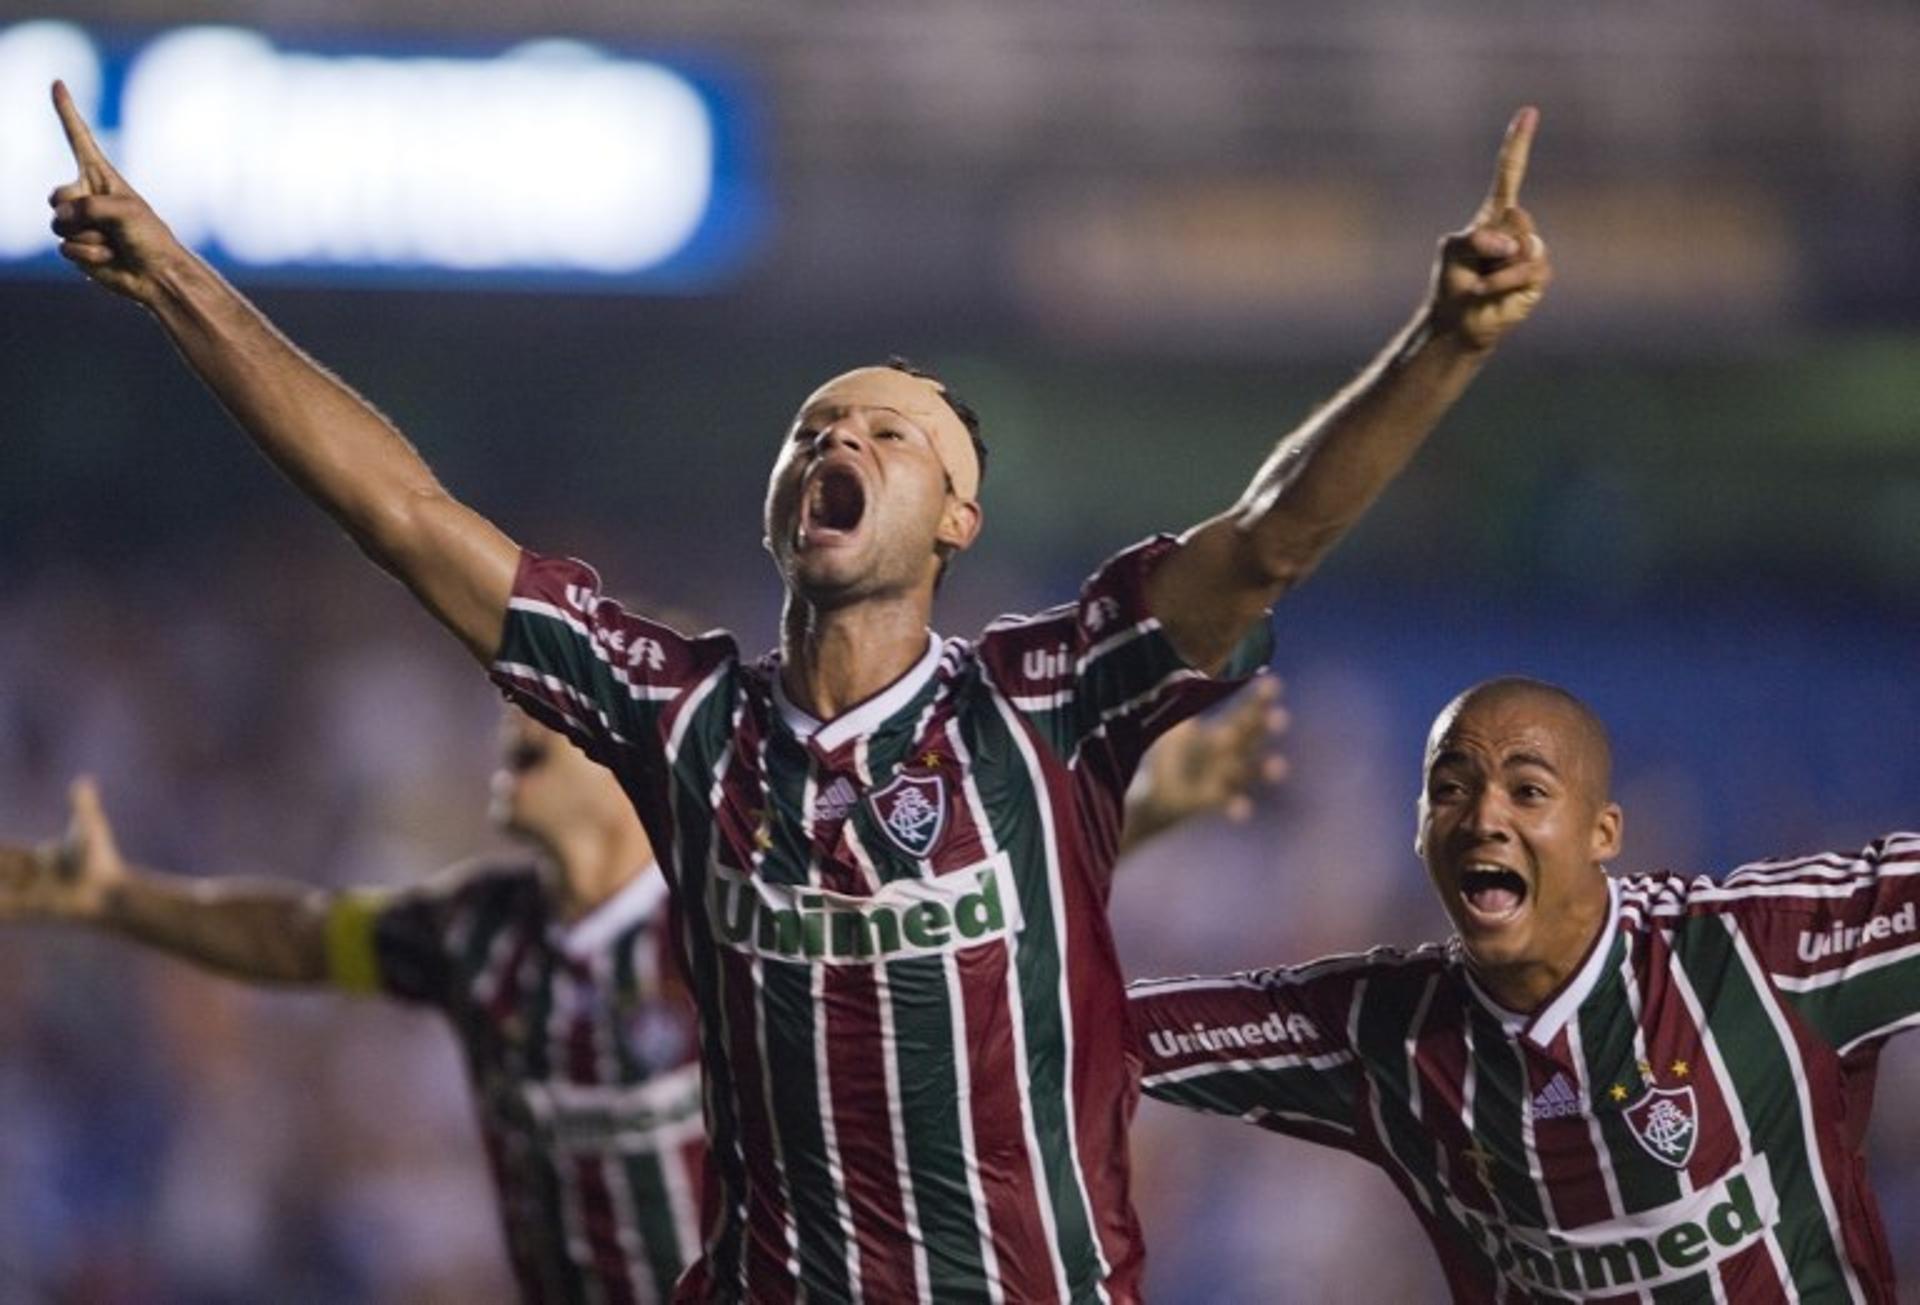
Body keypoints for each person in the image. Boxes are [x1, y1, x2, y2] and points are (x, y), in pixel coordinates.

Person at [43, 78, 1549, 1300]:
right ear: (780, 501)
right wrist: (177, 277)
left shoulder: (1050, 702)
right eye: (814, 427)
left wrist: (1442, 344)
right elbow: (403, 514)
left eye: (891, 437)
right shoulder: (679, 718)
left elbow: (1271, 533)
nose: (839, 441)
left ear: (958, 522)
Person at [0, 687, 1286, 1303]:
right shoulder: (473, 934)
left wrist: (1160, 799)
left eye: (552, 724)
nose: (515, 725)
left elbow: (953, 909)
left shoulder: (725, 921)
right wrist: (119, 900)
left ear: (623, 776)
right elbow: (292, 938)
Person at [1129, 677, 1911, 1300]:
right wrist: (1135, 820)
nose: (1483, 819)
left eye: (1528, 791)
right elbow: (1076, 1019)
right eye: (1450, 791)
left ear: (1605, 831)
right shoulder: (1385, 1030)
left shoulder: (1764, 951)